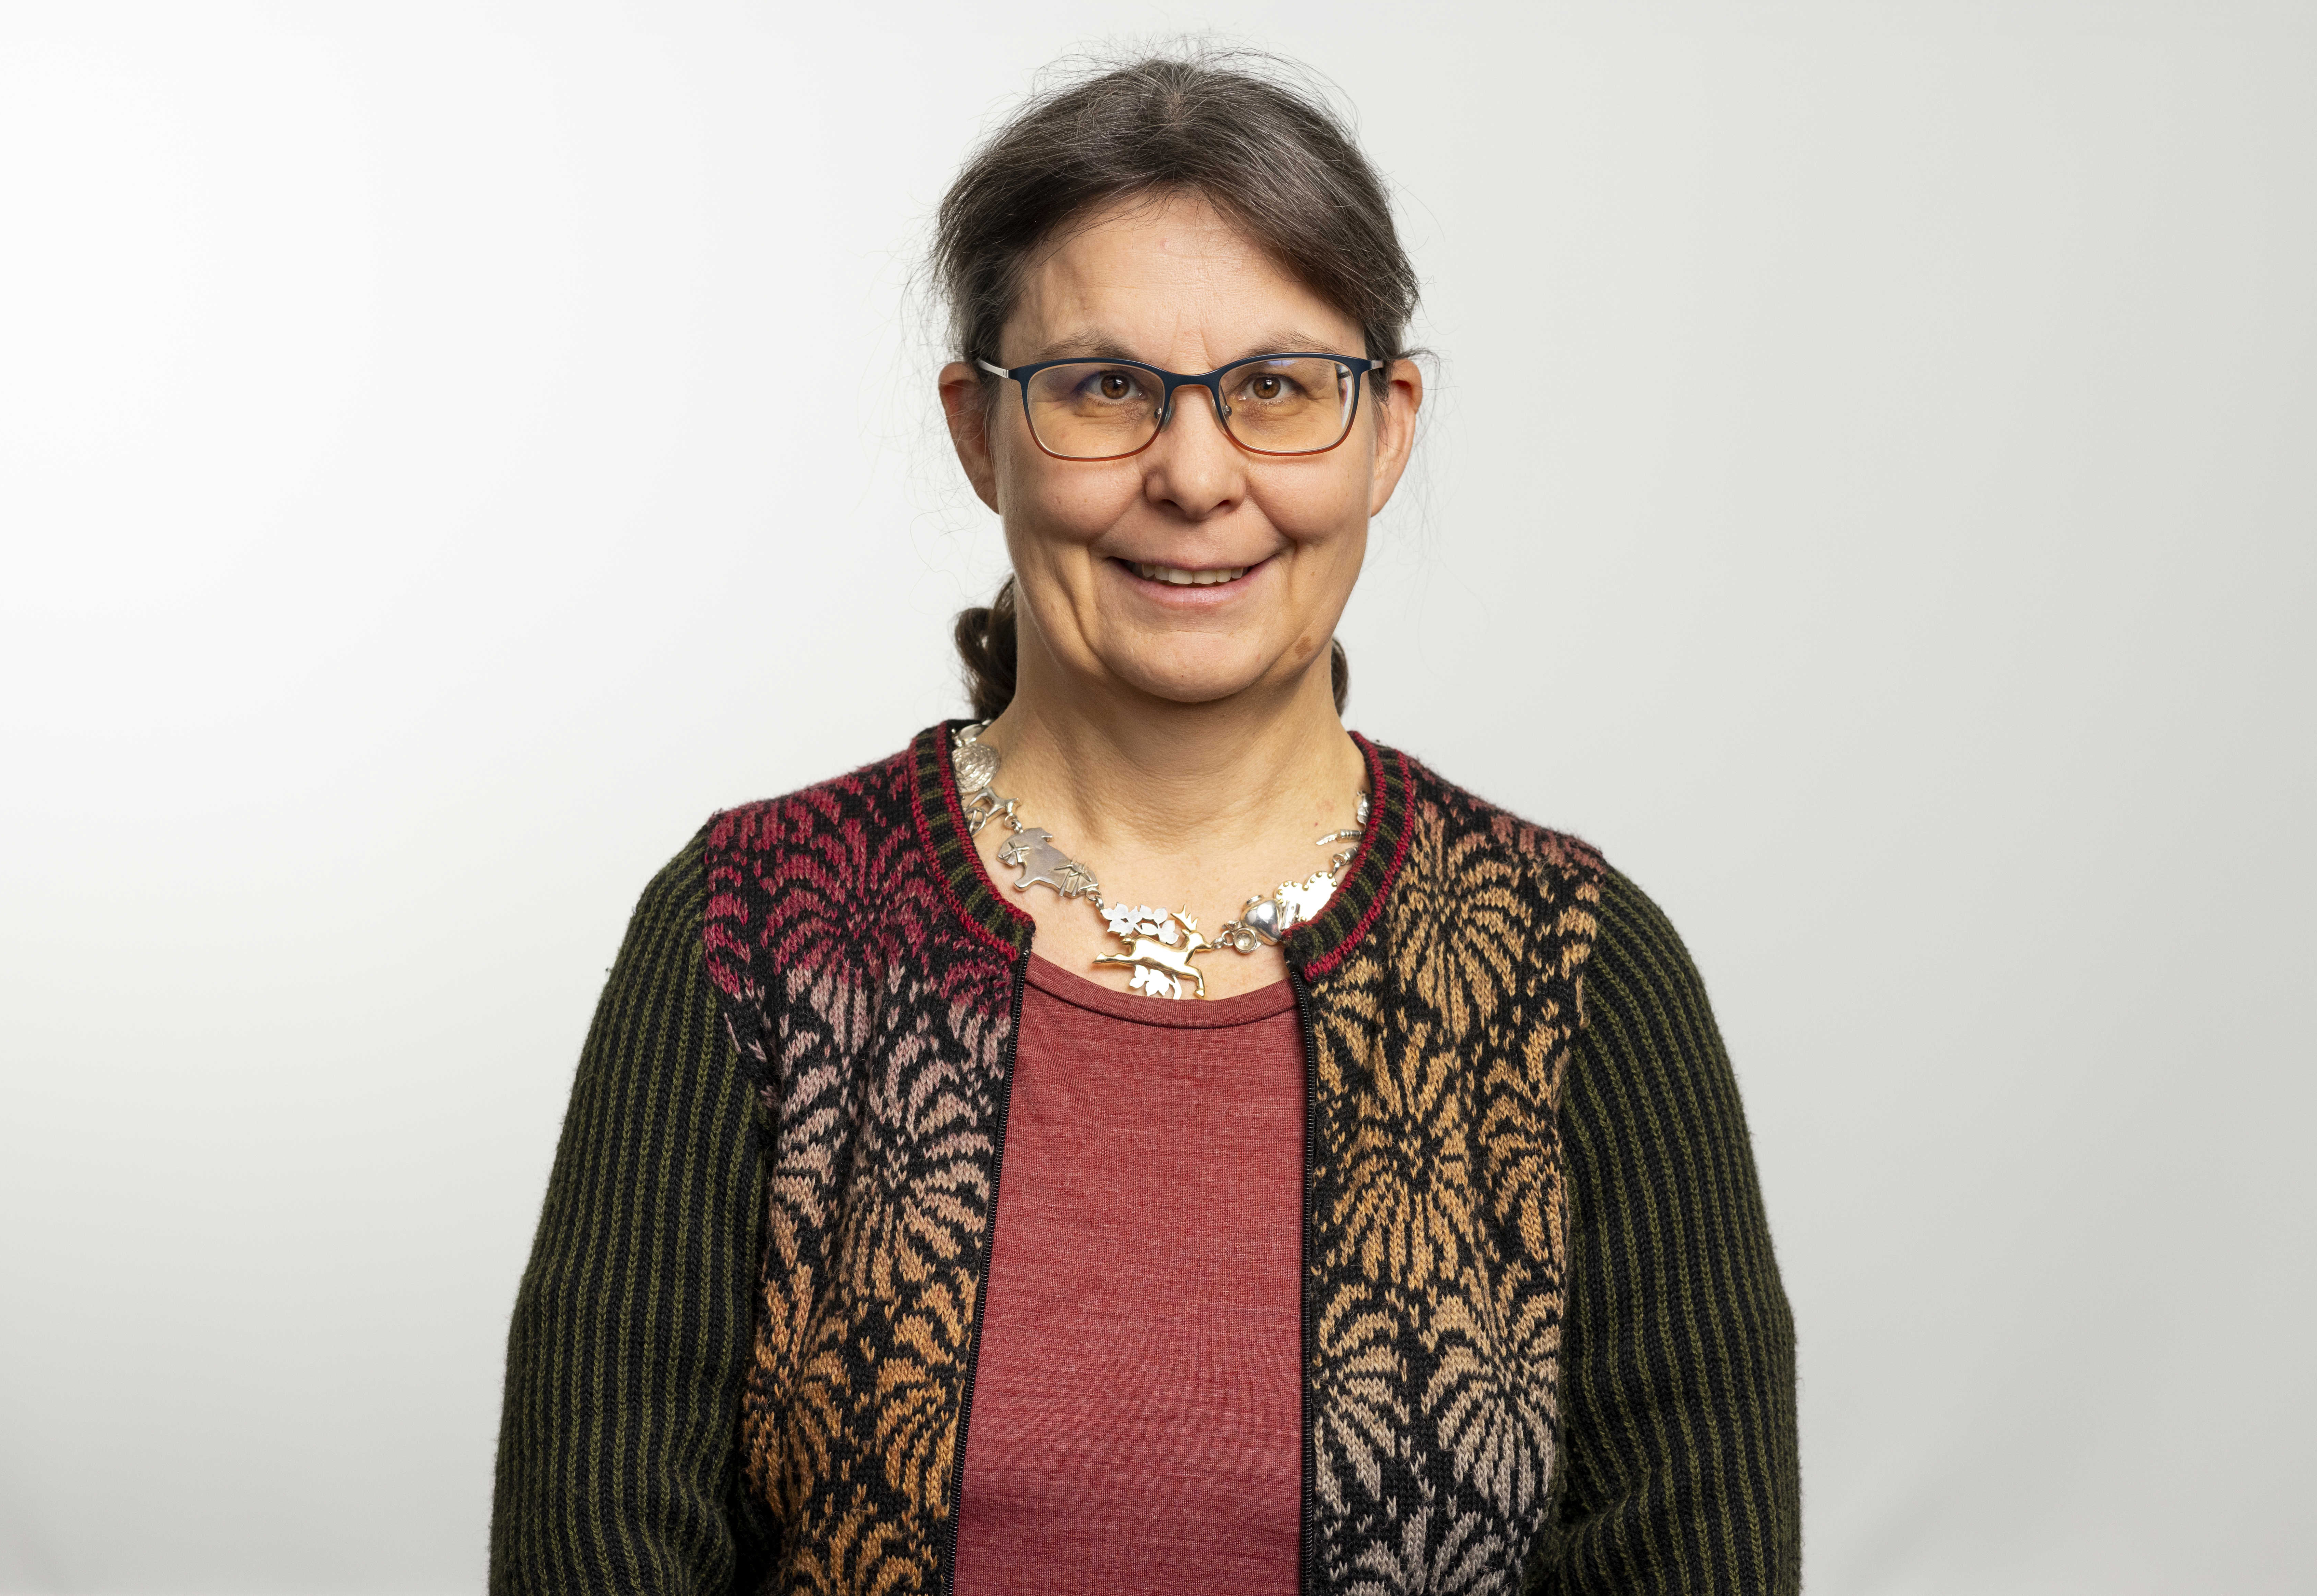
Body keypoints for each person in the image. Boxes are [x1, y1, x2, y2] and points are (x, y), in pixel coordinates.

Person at [490, 50, 1798, 1596]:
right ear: (980, 430)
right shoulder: (754, 936)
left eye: (1277, 388)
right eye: (1105, 389)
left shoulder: (1577, 977)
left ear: (1388, 428)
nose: (1193, 476)